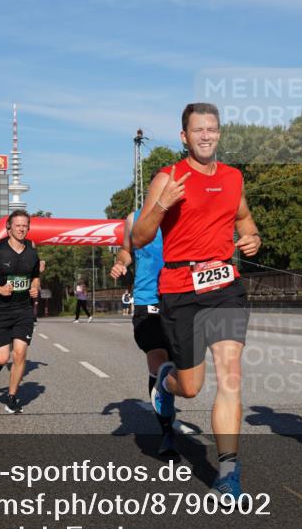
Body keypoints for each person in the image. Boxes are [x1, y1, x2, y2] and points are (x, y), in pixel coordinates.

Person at [132, 102, 261, 497]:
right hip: (180, 288)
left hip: (224, 285)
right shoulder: (168, 177)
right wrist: (162, 204)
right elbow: (139, 237)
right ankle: (165, 383)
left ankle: (228, 471)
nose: (206, 135)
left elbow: (244, 220)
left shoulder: (233, 178)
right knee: (190, 386)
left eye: (212, 129)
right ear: (184, 136)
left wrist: (252, 237)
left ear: (219, 134)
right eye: (198, 130)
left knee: (230, 372)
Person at [111, 209, 179, 456]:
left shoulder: (186, 213)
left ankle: (166, 391)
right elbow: (126, 251)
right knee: (159, 360)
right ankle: (167, 432)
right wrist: (121, 263)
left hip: (181, 296)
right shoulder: (135, 218)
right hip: (148, 298)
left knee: (184, 371)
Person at [0, 209, 41, 414]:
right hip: (1, 311)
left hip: (24, 310)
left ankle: (11, 398)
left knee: (20, 353)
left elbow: (35, 277)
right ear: (8, 228)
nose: (21, 229)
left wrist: (35, 287)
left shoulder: (32, 253)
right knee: (3, 359)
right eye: (17, 225)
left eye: (25, 226)